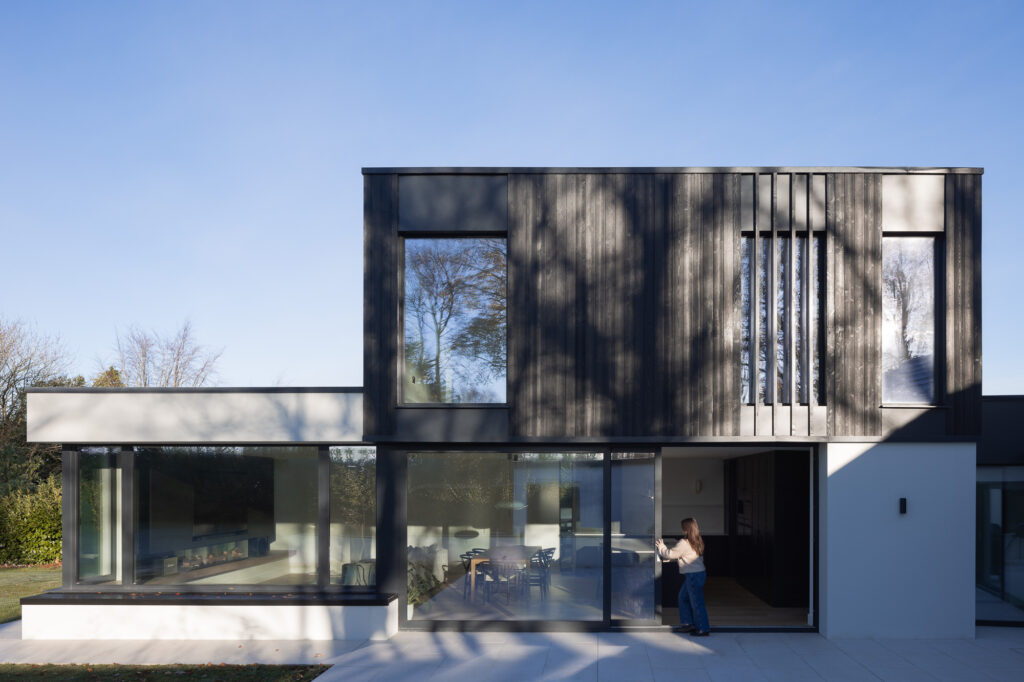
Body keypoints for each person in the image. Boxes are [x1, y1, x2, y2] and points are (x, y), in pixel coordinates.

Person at [656, 517, 709, 636]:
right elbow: (685, 555)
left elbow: (670, 554)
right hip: (699, 574)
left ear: (686, 529)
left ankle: (703, 628)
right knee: (683, 598)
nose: (681, 530)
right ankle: (688, 624)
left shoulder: (684, 543)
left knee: (696, 603)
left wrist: (661, 546)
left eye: (682, 527)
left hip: (693, 576)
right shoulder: (698, 540)